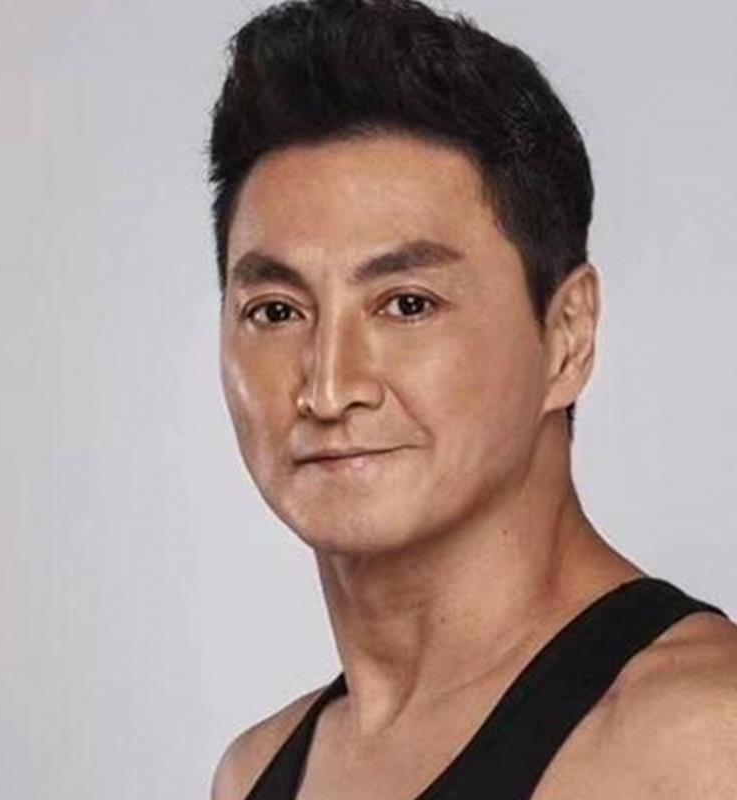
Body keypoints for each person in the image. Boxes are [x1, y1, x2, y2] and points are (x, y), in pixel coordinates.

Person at [208, 1, 737, 797]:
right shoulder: (256, 771)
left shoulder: (702, 744)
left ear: (566, 336)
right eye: (277, 312)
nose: (328, 388)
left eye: (407, 304)